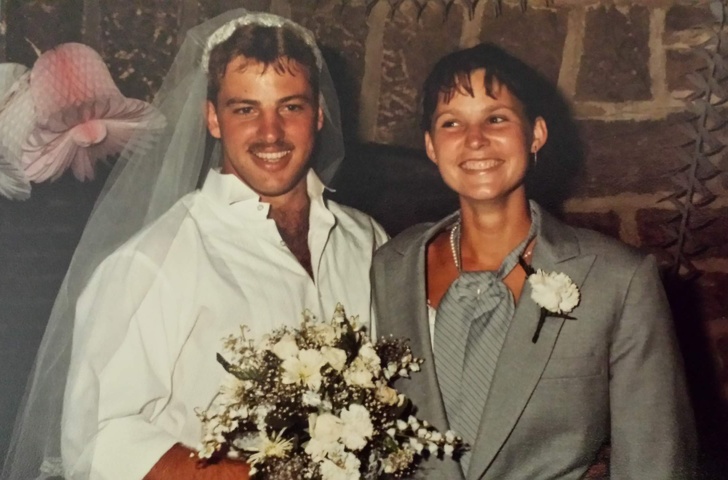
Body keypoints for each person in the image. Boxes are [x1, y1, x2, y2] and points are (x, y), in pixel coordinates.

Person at [2, 9, 386, 480]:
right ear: (212, 118)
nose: (270, 132)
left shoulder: (368, 241)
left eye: (291, 107)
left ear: (319, 114)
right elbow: (96, 443)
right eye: (245, 109)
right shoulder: (151, 262)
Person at [371, 43, 697, 479]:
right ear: (431, 146)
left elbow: (655, 459)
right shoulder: (393, 266)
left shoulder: (617, 279)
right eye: (452, 123)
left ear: (536, 134)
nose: (474, 139)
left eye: (496, 118)